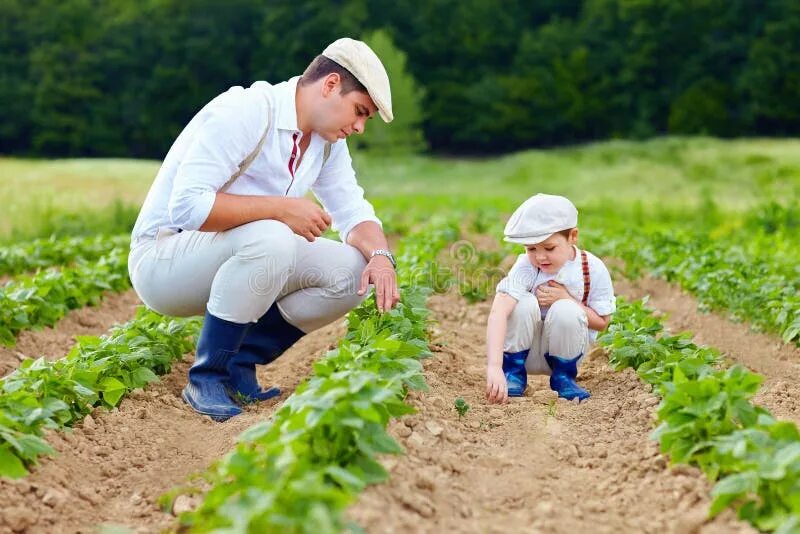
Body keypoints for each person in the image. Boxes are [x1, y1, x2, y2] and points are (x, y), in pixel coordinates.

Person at [128, 38, 400, 421]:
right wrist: (282, 209)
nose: (358, 127)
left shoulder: (325, 143)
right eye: (359, 112)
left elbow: (353, 211)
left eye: (365, 119)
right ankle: (207, 376)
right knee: (272, 236)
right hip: (163, 260)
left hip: (239, 252)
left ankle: (240, 361)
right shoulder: (247, 111)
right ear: (330, 84)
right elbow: (187, 206)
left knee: (353, 271)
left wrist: (381, 257)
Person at [485, 194, 616, 404]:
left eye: (549, 248)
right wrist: (493, 367)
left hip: (565, 352)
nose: (540, 257)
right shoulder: (526, 267)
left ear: (572, 236)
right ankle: (513, 373)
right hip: (523, 352)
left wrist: (567, 298)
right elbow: (499, 311)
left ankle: (564, 378)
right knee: (522, 302)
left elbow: (602, 323)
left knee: (566, 309)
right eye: (531, 249)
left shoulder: (590, 268)